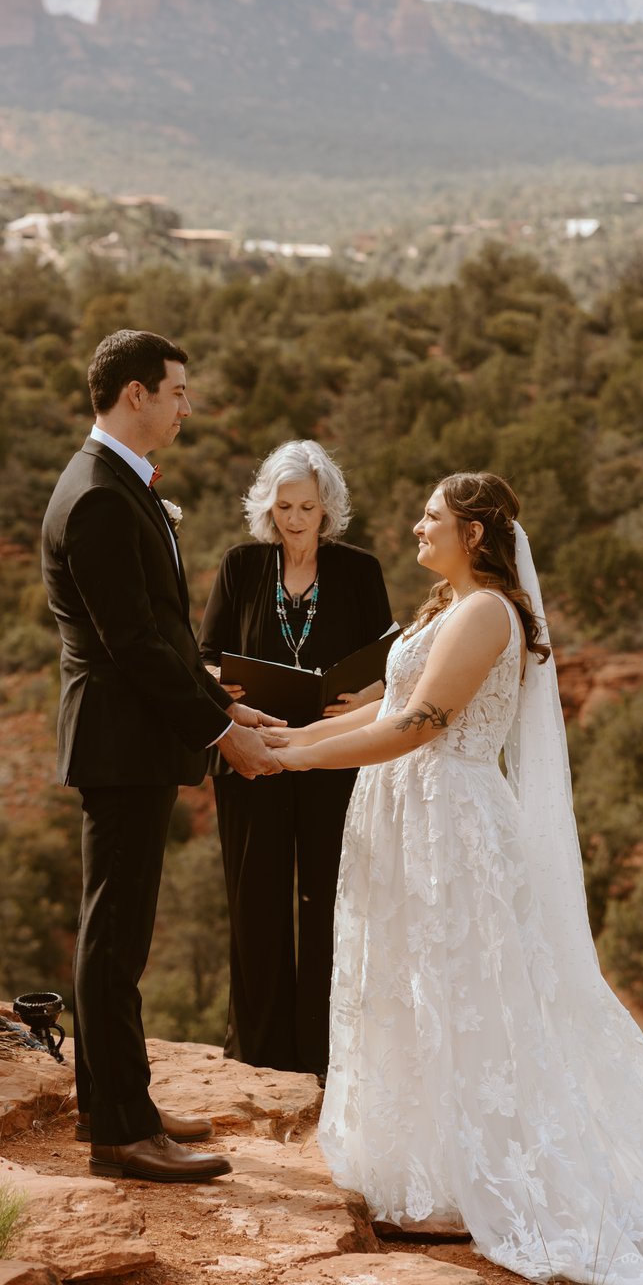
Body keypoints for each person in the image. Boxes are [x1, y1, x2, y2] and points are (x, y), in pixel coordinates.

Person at [272, 472, 643, 1285]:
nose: (415, 526)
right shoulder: (449, 607)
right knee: (408, 986)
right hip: (407, 814)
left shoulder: (484, 616)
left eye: (431, 517)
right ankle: (427, 1171)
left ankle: (479, 1178)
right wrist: (284, 736)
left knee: (466, 994)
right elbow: (384, 705)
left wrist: (292, 762)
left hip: (452, 827)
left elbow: (418, 726)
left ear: (473, 534)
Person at [41, 329, 284, 1184]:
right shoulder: (101, 498)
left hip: (133, 738)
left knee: (119, 933)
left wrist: (221, 700)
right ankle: (121, 1131)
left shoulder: (116, 484)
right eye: (177, 391)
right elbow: (134, 646)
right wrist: (221, 736)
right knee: (115, 938)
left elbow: (162, 633)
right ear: (135, 394)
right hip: (122, 742)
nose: (188, 406)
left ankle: (117, 1104)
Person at [198, 440, 392, 1077]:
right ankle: (258, 1055)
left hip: (336, 758)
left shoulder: (360, 571)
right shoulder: (239, 566)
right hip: (253, 755)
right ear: (267, 507)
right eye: (284, 506)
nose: (296, 518)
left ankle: (327, 1055)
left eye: (308, 505)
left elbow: (390, 667)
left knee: (330, 899)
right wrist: (216, 687)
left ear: (328, 506)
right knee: (254, 901)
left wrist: (369, 692)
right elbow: (205, 657)